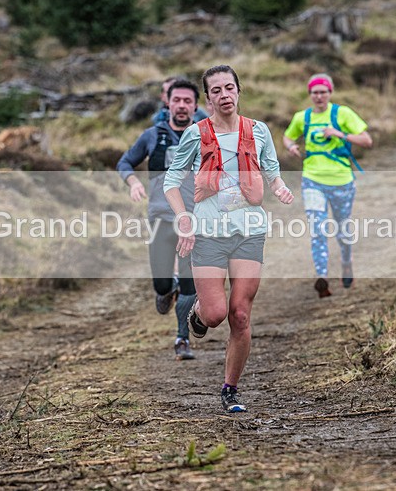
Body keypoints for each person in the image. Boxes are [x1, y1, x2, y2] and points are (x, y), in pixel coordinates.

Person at [163, 65, 294, 412]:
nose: (224, 95)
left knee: (240, 315)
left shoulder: (258, 130)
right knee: (217, 313)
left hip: (249, 230)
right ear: (207, 98)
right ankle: (198, 314)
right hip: (208, 232)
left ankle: (230, 389)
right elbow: (171, 183)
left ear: (239, 91)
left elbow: (271, 170)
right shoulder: (196, 134)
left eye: (229, 88)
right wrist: (184, 220)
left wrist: (279, 187)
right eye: (216, 90)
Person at [117, 79, 201, 360]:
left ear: (195, 106)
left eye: (187, 101)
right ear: (168, 102)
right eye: (177, 100)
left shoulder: (205, 136)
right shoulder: (152, 135)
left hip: (194, 220)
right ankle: (167, 290)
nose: (181, 105)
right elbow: (125, 162)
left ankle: (182, 339)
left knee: (190, 284)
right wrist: (133, 183)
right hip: (160, 217)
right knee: (162, 283)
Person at [283, 73, 373, 298]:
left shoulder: (342, 113)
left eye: (323, 92)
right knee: (318, 229)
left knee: (342, 228)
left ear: (330, 93)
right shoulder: (301, 117)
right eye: (315, 92)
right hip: (312, 180)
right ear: (310, 95)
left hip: (342, 181)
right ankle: (321, 276)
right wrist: (291, 146)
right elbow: (287, 136)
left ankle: (346, 262)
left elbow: (367, 140)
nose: (319, 96)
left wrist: (340, 133)